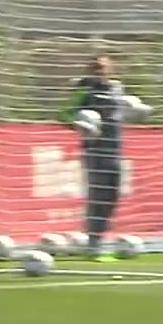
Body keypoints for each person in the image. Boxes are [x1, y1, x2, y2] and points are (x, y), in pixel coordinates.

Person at [58, 53, 124, 262]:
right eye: (95, 67)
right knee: (97, 195)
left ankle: (97, 238)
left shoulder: (117, 89)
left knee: (113, 196)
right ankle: (94, 245)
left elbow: (123, 113)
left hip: (115, 150)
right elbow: (64, 114)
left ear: (111, 69)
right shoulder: (84, 90)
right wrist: (80, 124)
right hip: (94, 150)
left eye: (102, 67)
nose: (99, 70)